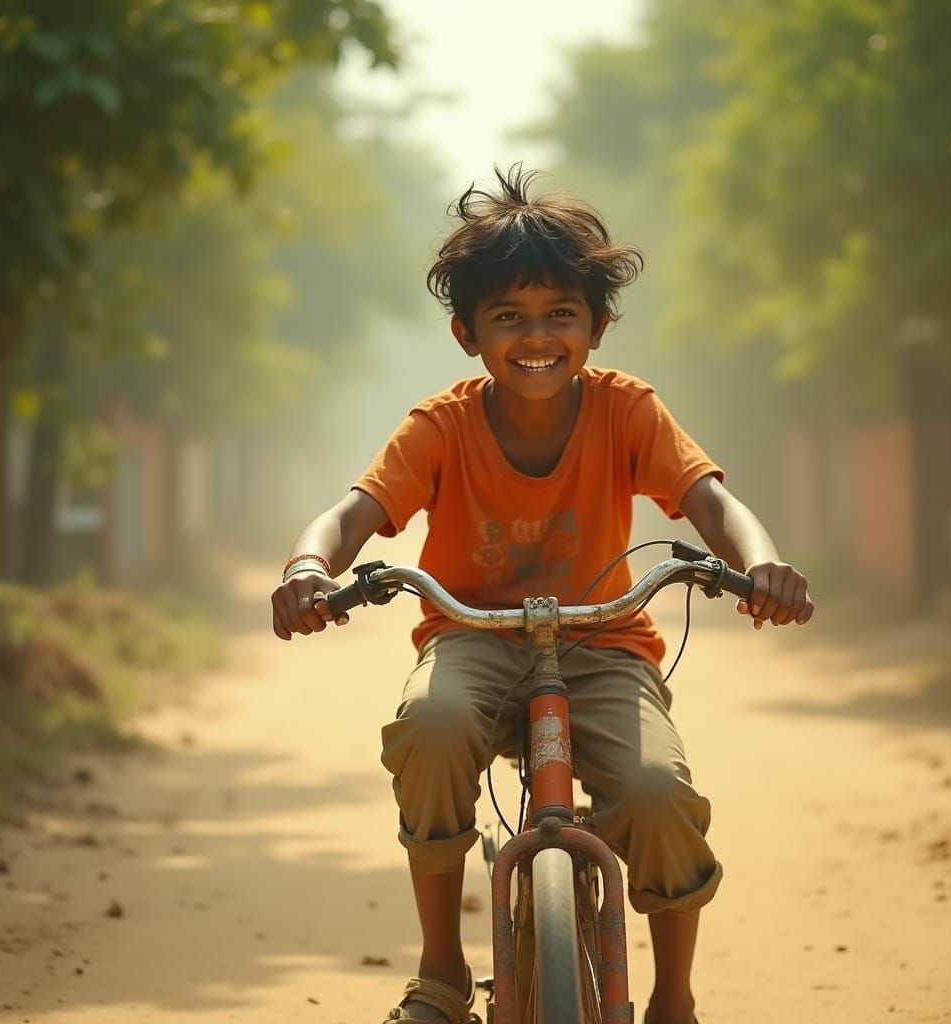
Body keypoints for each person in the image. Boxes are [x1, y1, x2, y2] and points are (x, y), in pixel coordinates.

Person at [270, 165, 814, 1024]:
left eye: (561, 313)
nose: (537, 335)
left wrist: (763, 562)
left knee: (657, 793)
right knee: (432, 726)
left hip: (603, 645)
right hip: (473, 638)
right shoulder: (439, 426)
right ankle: (442, 971)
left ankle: (674, 997)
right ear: (466, 334)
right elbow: (352, 516)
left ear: (595, 327)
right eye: (508, 316)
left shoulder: (626, 411)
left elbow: (711, 499)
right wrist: (309, 569)